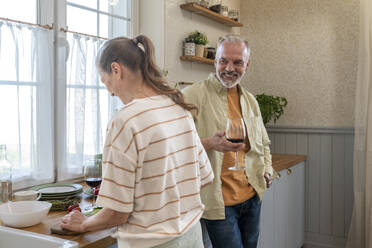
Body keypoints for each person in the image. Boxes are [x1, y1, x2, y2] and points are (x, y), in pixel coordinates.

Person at [61, 35, 214, 248]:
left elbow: (117, 213)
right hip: (192, 237)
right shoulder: (178, 108)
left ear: (116, 69)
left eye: (105, 82)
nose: (110, 92)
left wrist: (85, 224)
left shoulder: (126, 120)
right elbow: (204, 177)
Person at [182, 34, 276, 248]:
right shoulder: (191, 95)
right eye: (223, 60)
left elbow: (263, 144)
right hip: (219, 203)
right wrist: (208, 143)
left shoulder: (250, 100)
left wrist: (268, 170)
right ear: (215, 61)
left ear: (247, 65)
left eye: (237, 62)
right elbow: (172, 144)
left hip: (253, 197)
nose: (229, 68)